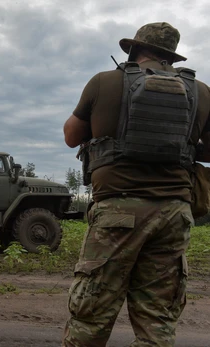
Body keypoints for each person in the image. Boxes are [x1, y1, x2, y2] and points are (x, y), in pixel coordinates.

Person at [62, 22, 210, 346]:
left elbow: (71, 136)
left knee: (91, 315)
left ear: (134, 49)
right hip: (174, 214)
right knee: (157, 321)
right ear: (172, 57)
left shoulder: (104, 82)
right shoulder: (200, 91)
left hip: (117, 211)